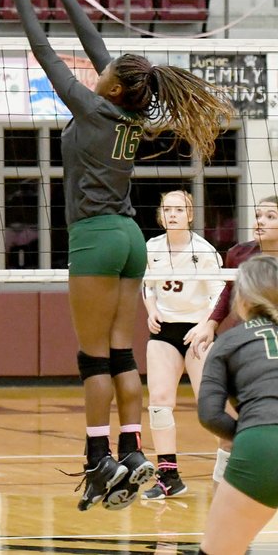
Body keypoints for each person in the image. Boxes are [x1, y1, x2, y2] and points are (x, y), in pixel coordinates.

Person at [6, 0, 234, 511]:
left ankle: (96, 458)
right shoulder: (127, 110)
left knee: (92, 360)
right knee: (121, 354)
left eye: (104, 71)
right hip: (132, 238)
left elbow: (44, 51)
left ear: (108, 84)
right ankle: (132, 452)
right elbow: (98, 51)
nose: (99, 66)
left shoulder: (91, 106)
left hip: (97, 235)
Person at [187, 195, 278, 486]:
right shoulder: (239, 254)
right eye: (259, 215)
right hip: (247, 348)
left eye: (270, 217)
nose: (260, 221)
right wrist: (210, 323)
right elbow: (228, 292)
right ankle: (222, 489)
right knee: (229, 431)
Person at [140, 190, 224, 500]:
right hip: (164, 331)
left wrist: (206, 326)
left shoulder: (203, 251)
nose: (173, 214)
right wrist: (151, 311)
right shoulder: (151, 248)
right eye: (168, 209)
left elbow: (219, 294)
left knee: (209, 407)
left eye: (180, 209)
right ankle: (168, 475)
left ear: (190, 215)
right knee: (159, 402)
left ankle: (231, 467)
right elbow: (146, 287)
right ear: (161, 215)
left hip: (197, 331)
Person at [197, 255, 278, 555]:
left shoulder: (229, 342)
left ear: (241, 298)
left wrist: (248, 436)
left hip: (263, 445)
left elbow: (209, 414)